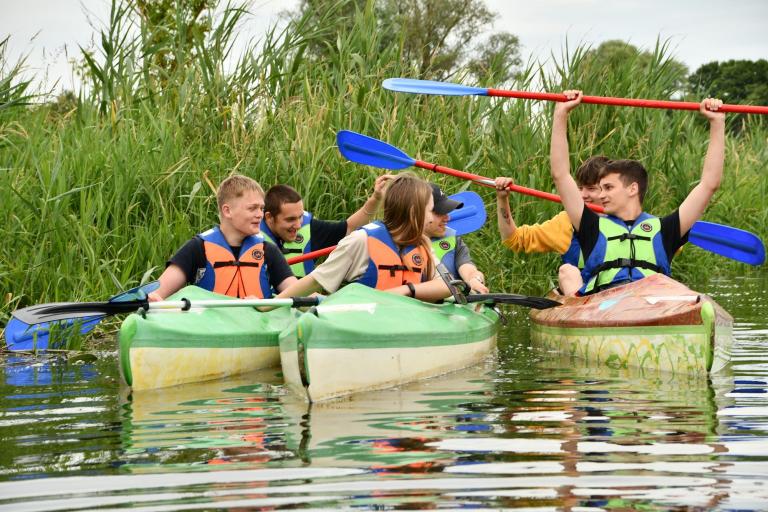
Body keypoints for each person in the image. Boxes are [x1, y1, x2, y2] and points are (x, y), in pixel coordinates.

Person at [550, 90, 725, 296]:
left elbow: (708, 184)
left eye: (609, 187)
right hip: (602, 304)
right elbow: (560, 175)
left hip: (652, 303)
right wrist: (561, 114)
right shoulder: (591, 226)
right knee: (568, 271)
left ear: (632, 188)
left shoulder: (667, 229)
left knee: (682, 290)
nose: (602, 195)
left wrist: (717, 123)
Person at [275, 174, 453, 303]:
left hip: (408, 323)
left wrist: (406, 291)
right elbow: (315, 281)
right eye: (430, 211)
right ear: (414, 212)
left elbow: (447, 285)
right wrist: (268, 306)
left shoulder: (422, 246)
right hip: (367, 324)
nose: (431, 219)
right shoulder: (361, 241)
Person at [148, 175, 297, 301]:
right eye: (252, 208)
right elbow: (158, 292)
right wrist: (152, 298)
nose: (259, 214)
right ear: (227, 211)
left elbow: (299, 293)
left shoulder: (268, 251)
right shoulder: (197, 249)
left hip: (257, 328)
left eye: (261, 208)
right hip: (210, 330)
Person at [261, 175, 394, 277]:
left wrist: (376, 199)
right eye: (290, 219)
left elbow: (350, 227)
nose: (298, 225)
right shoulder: (249, 234)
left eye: (300, 216)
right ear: (269, 217)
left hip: (299, 307)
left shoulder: (309, 228)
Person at [494, 156, 608, 270]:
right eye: (580, 188)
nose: (583, 195)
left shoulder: (624, 216)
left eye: (591, 189)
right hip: (582, 286)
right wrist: (502, 199)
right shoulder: (565, 223)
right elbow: (514, 238)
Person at [426, 184, 489, 294]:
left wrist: (474, 279)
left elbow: (468, 269)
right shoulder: (396, 241)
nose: (448, 218)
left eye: (447, 212)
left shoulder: (453, 240)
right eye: (440, 212)